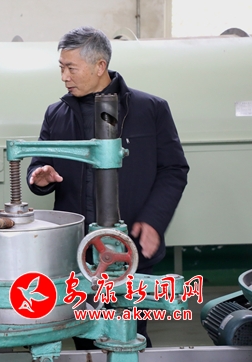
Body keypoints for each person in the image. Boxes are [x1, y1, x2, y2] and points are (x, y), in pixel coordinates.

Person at [27, 26, 189, 348]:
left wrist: (153, 220)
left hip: (129, 251)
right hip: (77, 254)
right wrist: (39, 177)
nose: (64, 77)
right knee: (84, 337)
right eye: (61, 67)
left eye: (71, 68)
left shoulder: (150, 109)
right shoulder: (56, 114)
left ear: (100, 66)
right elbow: (38, 166)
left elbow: (173, 170)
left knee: (131, 335)